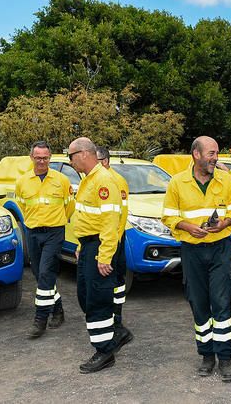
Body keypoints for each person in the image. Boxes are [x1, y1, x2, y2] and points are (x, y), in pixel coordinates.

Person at [162, 136, 231, 382]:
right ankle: (207, 356)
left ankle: (225, 358)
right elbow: (168, 216)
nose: (215, 157)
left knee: (221, 302)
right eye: (211, 153)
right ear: (196, 154)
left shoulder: (226, 179)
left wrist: (224, 223)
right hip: (192, 250)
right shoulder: (177, 183)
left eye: (217, 152)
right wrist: (188, 227)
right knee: (198, 303)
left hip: (220, 249)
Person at [68, 137, 123, 374]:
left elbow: (111, 222)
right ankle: (114, 334)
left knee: (97, 299)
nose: (70, 162)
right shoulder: (89, 179)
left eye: (70, 156)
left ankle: (104, 351)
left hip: (100, 246)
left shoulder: (103, 180)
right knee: (85, 295)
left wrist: (104, 256)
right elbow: (89, 217)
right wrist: (83, 244)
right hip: (89, 245)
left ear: (82, 154)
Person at [16, 141, 74, 338]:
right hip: (33, 232)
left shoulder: (61, 180)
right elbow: (22, 205)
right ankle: (58, 310)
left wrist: (56, 220)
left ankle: (40, 320)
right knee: (41, 276)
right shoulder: (22, 181)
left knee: (46, 271)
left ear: (50, 158)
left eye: (45, 158)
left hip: (54, 233)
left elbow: (69, 206)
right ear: (31, 157)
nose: (42, 161)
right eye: (38, 157)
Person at [96, 146, 134, 346]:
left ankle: (117, 322)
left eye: (100, 160)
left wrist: (113, 244)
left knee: (116, 282)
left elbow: (120, 216)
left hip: (113, 239)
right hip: (103, 239)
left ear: (107, 161)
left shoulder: (116, 181)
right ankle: (111, 321)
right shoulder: (95, 179)